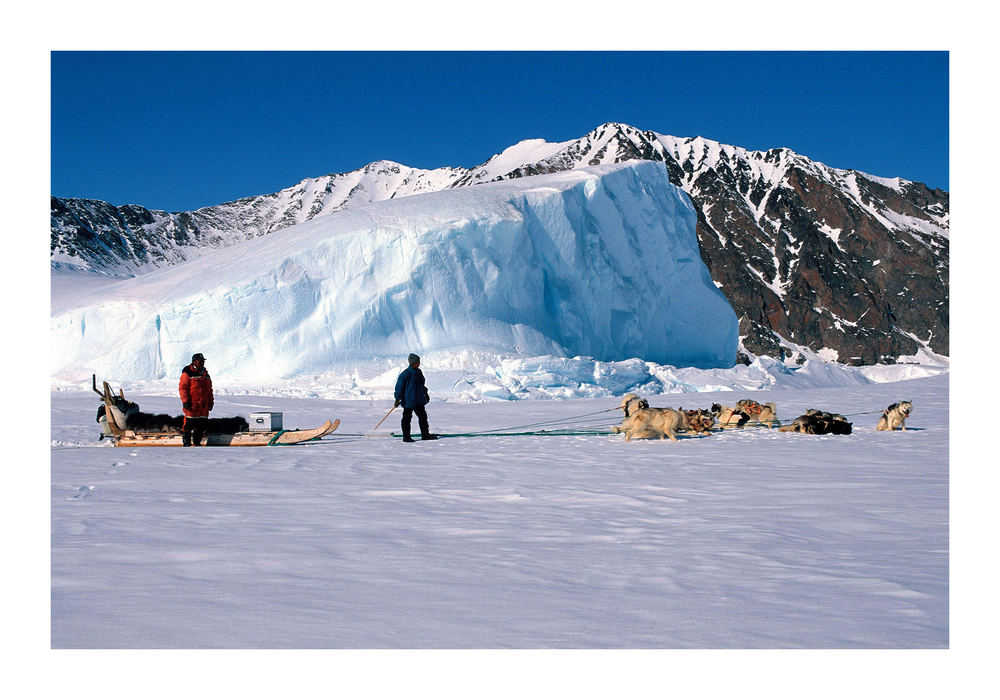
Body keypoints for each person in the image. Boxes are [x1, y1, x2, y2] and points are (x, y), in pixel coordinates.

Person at [393, 353, 437, 442]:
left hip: (419, 400)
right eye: (418, 362)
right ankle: (406, 437)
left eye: (419, 362)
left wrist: (425, 393)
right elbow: (399, 387)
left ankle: (425, 435)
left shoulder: (419, 372)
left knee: (423, 417)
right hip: (409, 401)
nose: (419, 363)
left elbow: (421, 385)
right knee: (406, 419)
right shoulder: (405, 374)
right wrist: (397, 398)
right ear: (413, 363)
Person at [179, 352, 214, 446]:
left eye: (203, 361)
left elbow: (209, 390)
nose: (202, 363)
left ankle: (197, 444)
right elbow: (183, 388)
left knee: (201, 425)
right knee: (189, 424)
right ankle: (186, 443)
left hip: (203, 405)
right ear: (194, 362)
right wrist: (185, 401)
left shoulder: (206, 374)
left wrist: (211, 402)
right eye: (200, 361)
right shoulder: (187, 373)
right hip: (192, 405)